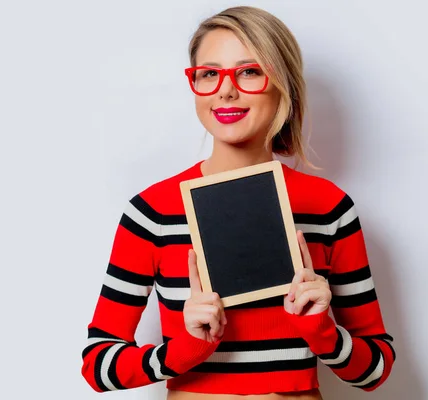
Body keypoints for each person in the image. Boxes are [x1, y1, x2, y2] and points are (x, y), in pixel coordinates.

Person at [81, 6, 395, 399]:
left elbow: (376, 370)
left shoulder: (329, 207)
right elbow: (97, 365)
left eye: (249, 71)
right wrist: (183, 350)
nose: (226, 90)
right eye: (209, 74)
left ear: (283, 83)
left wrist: (323, 332)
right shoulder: (152, 212)